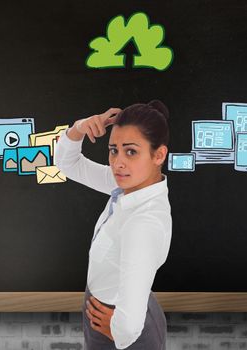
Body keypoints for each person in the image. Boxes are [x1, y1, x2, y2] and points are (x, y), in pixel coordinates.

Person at [54, 100, 172, 350]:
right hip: (106, 309)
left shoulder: (143, 222)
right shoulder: (128, 185)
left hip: (119, 328)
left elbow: (129, 327)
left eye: (131, 151)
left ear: (158, 155)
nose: (117, 162)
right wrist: (80, 128)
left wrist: (118, 333)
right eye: (113, 150)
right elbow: (68, 164)